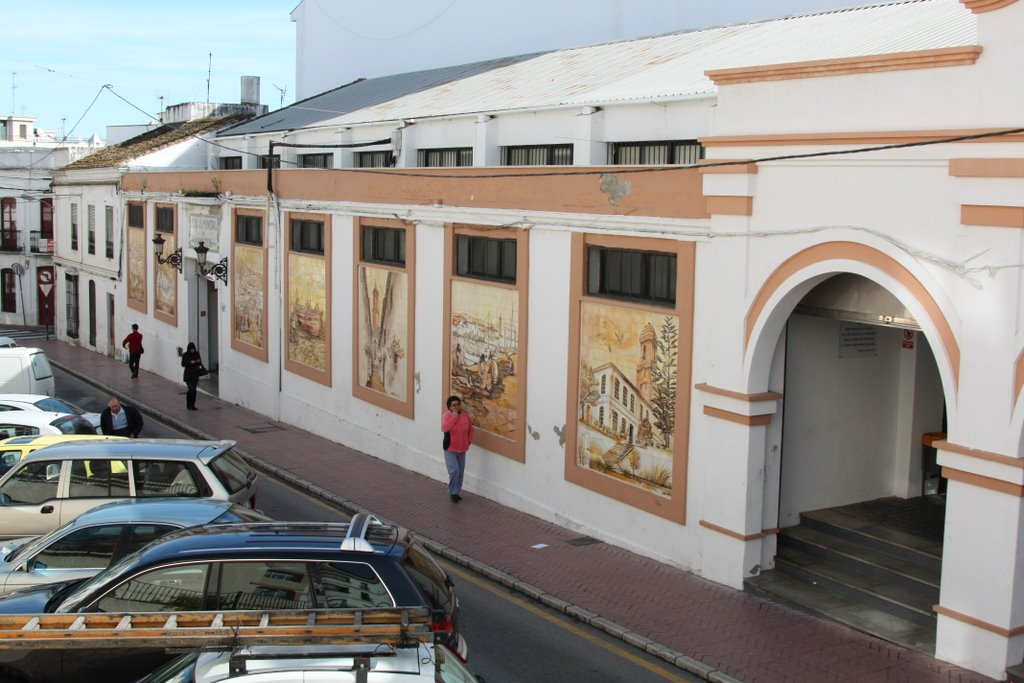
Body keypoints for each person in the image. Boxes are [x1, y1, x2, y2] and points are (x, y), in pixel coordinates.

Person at [441, 394, 474, 503]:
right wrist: (454, 417)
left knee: (460, 472)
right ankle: (452, 492)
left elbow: (471, 430)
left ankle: (457, 491)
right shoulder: (447, 416)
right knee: (454, 471)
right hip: (450, 449)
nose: (456, 406)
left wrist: (469, 442)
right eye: (453, 405)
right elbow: (445, 428)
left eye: (458, 404)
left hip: (462, 449)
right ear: (449, 407)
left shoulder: (465, 416)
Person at [181, 342, 204, 411]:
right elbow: (183, 364)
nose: (192, 350)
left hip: (195, 375)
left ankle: (193, 405)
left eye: (193, 349)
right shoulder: (185, 355)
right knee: (190, 390)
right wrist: (190, 362)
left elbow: (200, 363)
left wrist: (197, 361)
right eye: (191, 349)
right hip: (188, 375)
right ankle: (188, 404)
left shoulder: (197, 354)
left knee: (194, 391)